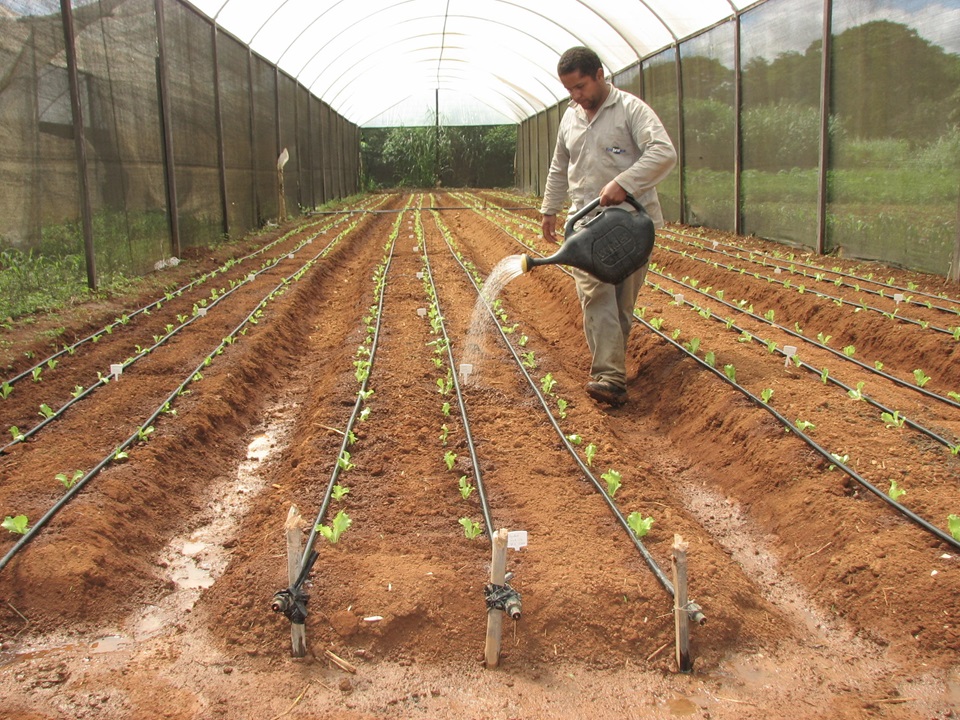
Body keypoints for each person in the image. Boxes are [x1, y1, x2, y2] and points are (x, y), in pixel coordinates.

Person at [540, 46, 677, 408]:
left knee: (620, 303)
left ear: (600, 75)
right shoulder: (571, 117)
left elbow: (664, 153)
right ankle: (609, 377)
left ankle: (612, 371)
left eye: (581, 86)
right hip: (586, 226)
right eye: (569, 90)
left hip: (632, 226)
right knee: (595, 293)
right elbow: (559, 165)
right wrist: (549, 208)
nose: (576, 96)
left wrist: (625, 183)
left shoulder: (631, 110)